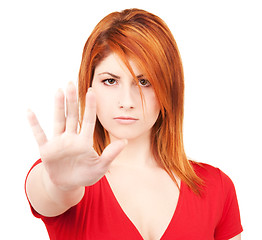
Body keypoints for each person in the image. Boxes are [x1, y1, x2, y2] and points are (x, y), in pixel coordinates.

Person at [25, 8, 243, 240]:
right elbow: (50, 192)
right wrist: (58, 186)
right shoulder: (67, 172)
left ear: (169, 89)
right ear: (89, 85)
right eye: (110, 81)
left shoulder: (217, 188)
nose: (127, 102)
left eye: (144, 81)